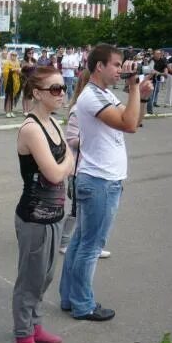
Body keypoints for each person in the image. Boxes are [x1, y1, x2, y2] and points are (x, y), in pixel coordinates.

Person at [59, 44, 153, 322]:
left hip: (102, 177)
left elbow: (134, 119)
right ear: (99, 66)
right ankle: (83, 305)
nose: (120, 70)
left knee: (79, 242)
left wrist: (142, 98)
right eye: (115, 64)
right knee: (91, 246)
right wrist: (134, 88)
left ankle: (69, 297)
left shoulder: (105, 93)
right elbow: (128, 125)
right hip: (100, 179)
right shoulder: (90, 97)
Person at [12, 66, 73, 343]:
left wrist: (63, 166)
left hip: (55, 214)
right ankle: (23, 337)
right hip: (34, 216)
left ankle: (35, 325)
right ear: (37, 93)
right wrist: (64, 167)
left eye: (63, 87)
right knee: (30, 280)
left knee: (46, 276)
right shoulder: (32, 128)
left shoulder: (53, 123)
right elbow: (55, 172)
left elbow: (67, 159)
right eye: (55, 89)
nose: (62, 93)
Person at [59, 70, 111, 259]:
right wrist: (95, 136)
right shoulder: (78, 109)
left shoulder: (101, 106)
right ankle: (64, 241)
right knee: (76, 209)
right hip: (79, 168)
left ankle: (91, 245)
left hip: (95, 166)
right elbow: (71, 139)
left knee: (89, 210)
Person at [3, 51, 22, 118]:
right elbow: (5, 72)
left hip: (16, 82)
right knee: (8, 97)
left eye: (15, 55)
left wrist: (19, 71)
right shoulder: (7, 62)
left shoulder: (17, 63)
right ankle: (7, 111)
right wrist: (13, 70)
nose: (14, 56)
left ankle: (11, 111)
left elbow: (20, 72)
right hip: (9, 81)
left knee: (12, 97)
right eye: (12, 55)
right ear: (10, 55)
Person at [21, 48, 37, 116]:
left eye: (32, 53)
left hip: (33, 80)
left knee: (30, 95)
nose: (31, 54)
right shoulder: (23, 61)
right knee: (25, 95)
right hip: (25, 79)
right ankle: (25, 110)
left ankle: (30, 109)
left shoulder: (34, 61)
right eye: (29, 53)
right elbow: (22, 71)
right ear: (26, 54)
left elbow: (36, 70)